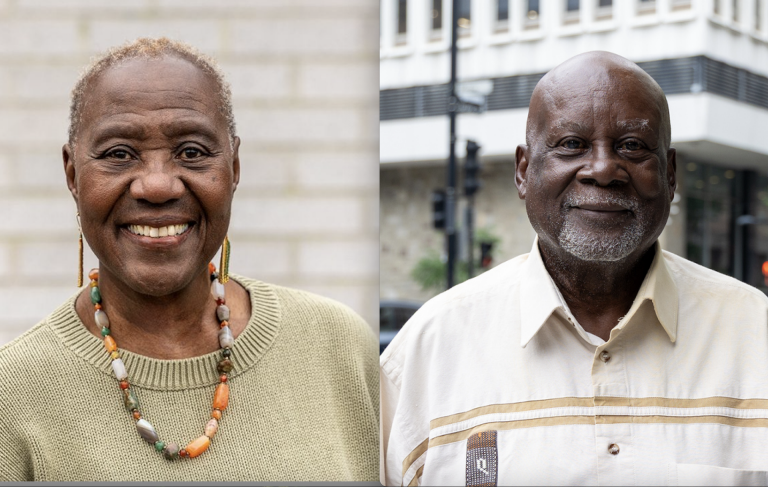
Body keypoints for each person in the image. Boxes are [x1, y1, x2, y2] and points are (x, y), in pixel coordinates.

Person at [380, 51, 768, 486]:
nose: (603, 169)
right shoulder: (429, 350)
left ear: (670, 173)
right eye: (571, 144)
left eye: (632, 146)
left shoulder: (757, 334)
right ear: (524, 170)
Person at [0, 38, 378, 482]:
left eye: (192, 152)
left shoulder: (339, 346)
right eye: (119, 154)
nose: (157, 187)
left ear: (234, 168)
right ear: (72, 175)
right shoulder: (14, 392)